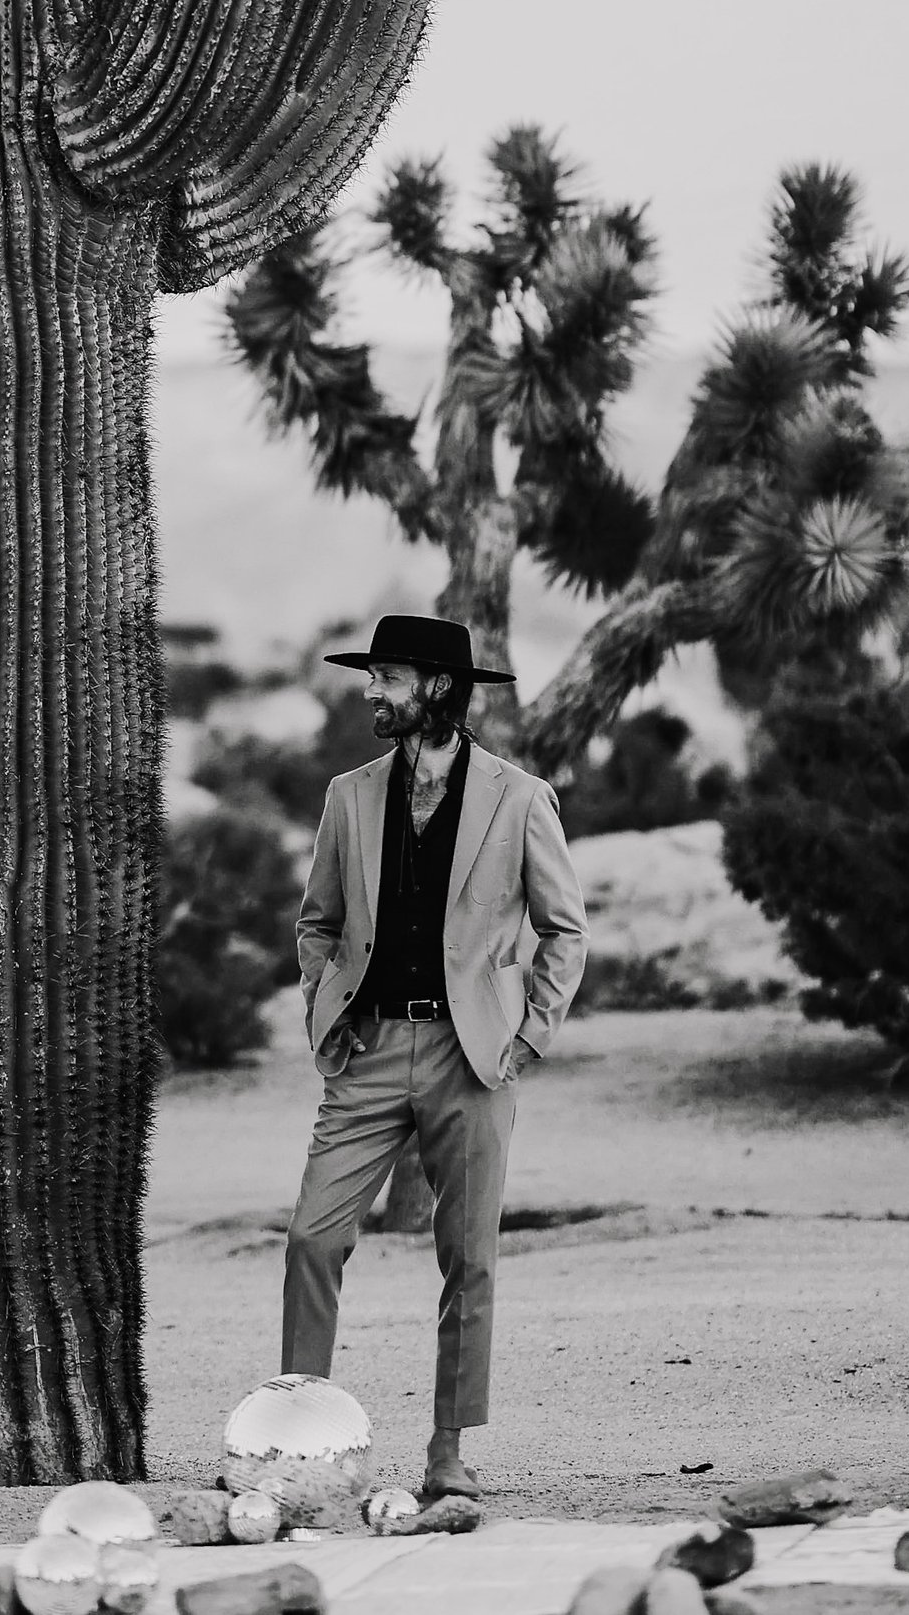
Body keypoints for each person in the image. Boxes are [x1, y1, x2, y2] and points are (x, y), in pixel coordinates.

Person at [282, 614, 587, 1507]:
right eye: (371, 677)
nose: (372, 692)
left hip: (473, 1057)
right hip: (369, 1050)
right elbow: (318, 923)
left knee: (469, 1257)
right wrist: (324, 1009)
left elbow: (564, 928)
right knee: (313, 1237)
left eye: (388, 678)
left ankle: (447, 1452)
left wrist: (527, 1034)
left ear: (440, 690)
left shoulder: (520, 797)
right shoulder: (348, 795)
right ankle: (301, 1442)